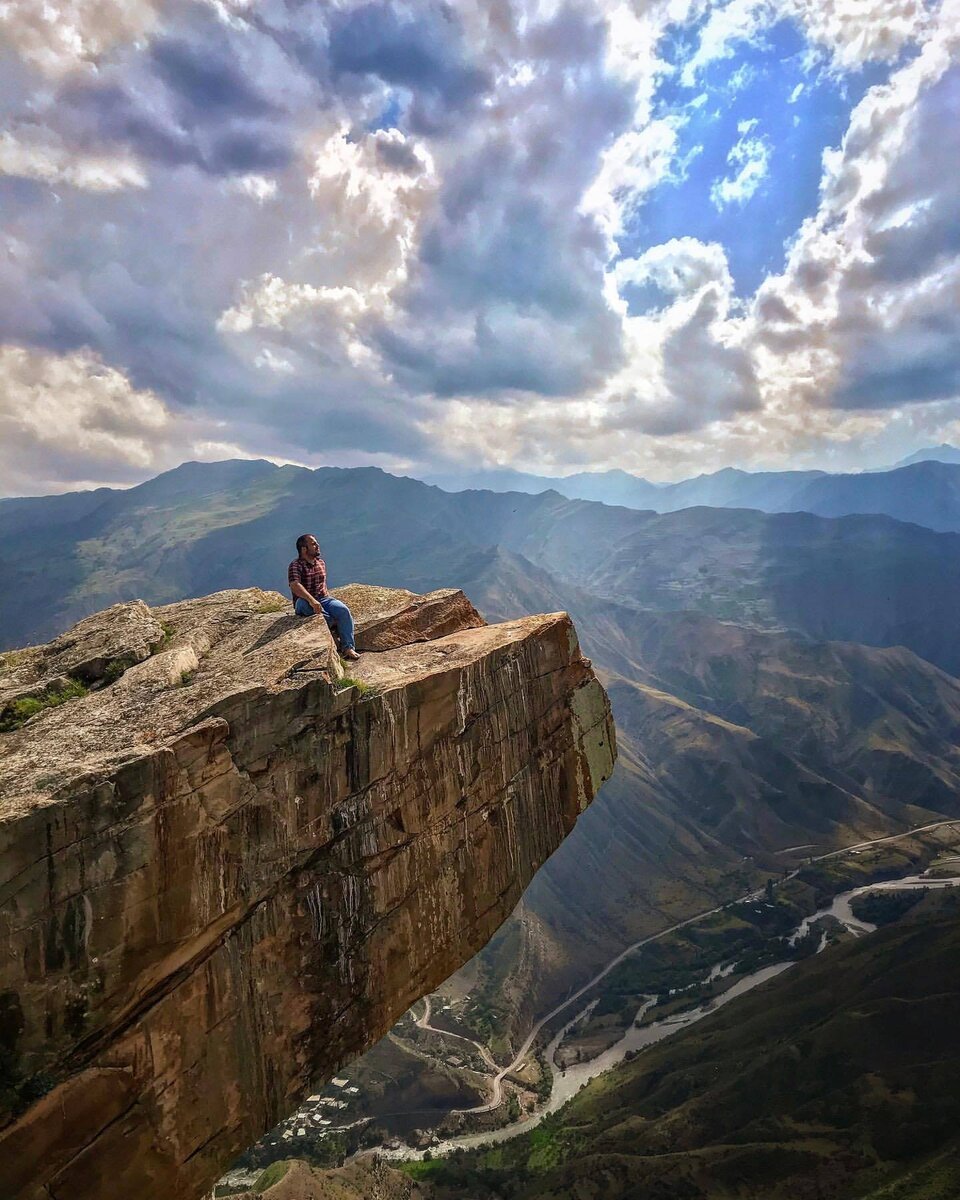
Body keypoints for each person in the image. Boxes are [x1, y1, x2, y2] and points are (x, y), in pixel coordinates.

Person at [288, 534, 360, 661]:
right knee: (304, 606)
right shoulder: (296, 565)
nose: (317, 546)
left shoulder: (320, 563)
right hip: (304, 601)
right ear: (304, 549)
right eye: (313, 544)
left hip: (324, 599)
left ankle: (348, 647)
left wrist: (326, 602)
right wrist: (312, 600)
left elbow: (322, 585)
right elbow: (295, 585)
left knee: (343, 610)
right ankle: (333, 622)